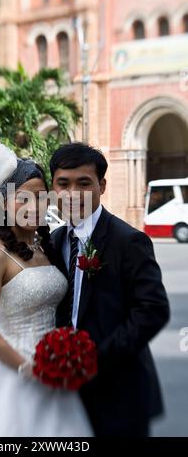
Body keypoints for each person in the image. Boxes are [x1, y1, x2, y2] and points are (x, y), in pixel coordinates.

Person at [0, 141, 92, 437]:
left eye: (41, 197)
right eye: (24, 199)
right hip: (18, 373)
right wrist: (28, 369)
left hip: (57, 371)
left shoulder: (48, 247)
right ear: (3, 205)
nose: (34, 207)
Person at [50, 143, 170, 437]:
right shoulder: (53, 242)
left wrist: (95, 359)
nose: (72, 193)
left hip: (119, 389)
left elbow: (152, 310)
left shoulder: (129, 241)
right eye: (63, 184)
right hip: (63, 390)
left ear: (101, 186)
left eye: (84, 183)